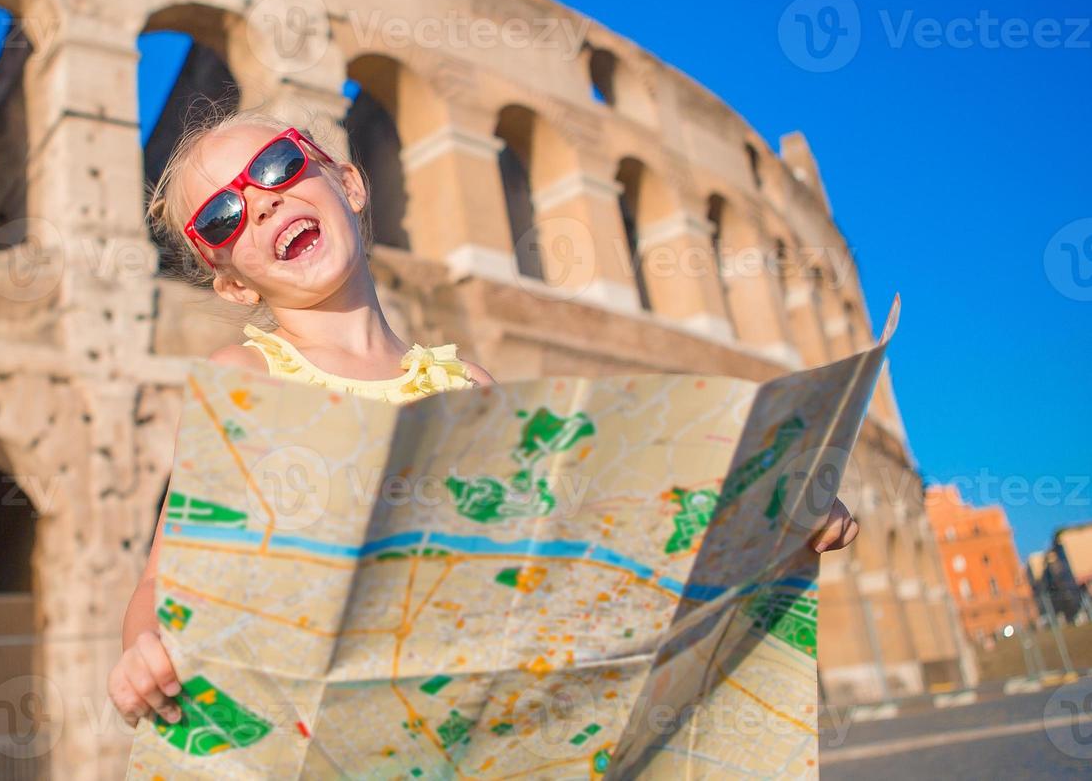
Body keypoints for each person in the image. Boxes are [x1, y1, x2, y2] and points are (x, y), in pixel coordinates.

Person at [106, 110, 858, 729]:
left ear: (349, 181)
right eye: (224, 213)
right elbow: (164, 577)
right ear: (234, 286)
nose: (262, 201)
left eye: (275, 166)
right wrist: (144, 646)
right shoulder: (246, 382)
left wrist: (769, 520)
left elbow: (585, 549)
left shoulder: (467, 385)